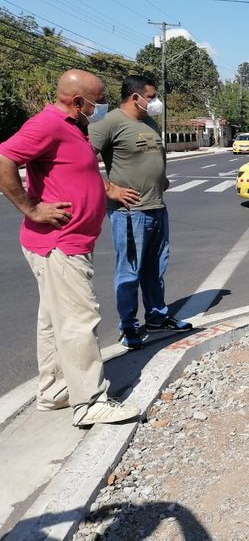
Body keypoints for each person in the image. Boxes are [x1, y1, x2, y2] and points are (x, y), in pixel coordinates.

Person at [0, 70, 139, 426]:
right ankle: (89, 402)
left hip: (66, 242)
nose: (101, 104)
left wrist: (103, 189)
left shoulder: (72, 126)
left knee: (53, 321)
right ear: (78, 101)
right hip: (59, 244)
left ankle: (54, 391)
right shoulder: (46, 124)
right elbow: (4, 158)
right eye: (98, 98)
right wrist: (31, 208)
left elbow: (77, 172)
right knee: (79, 320)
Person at [89, 75, 192, 351]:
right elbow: (81, 157)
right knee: (130, 272)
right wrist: (109, 189)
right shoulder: (110, 122)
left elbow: (157, 156)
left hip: (157, 207)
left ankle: (157, 316)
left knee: (156, 268)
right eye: (152, 95)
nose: (156, 101)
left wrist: (162, 179)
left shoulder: (149, 122)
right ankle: (128, 326)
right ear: (136, 97)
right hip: (130, 213)